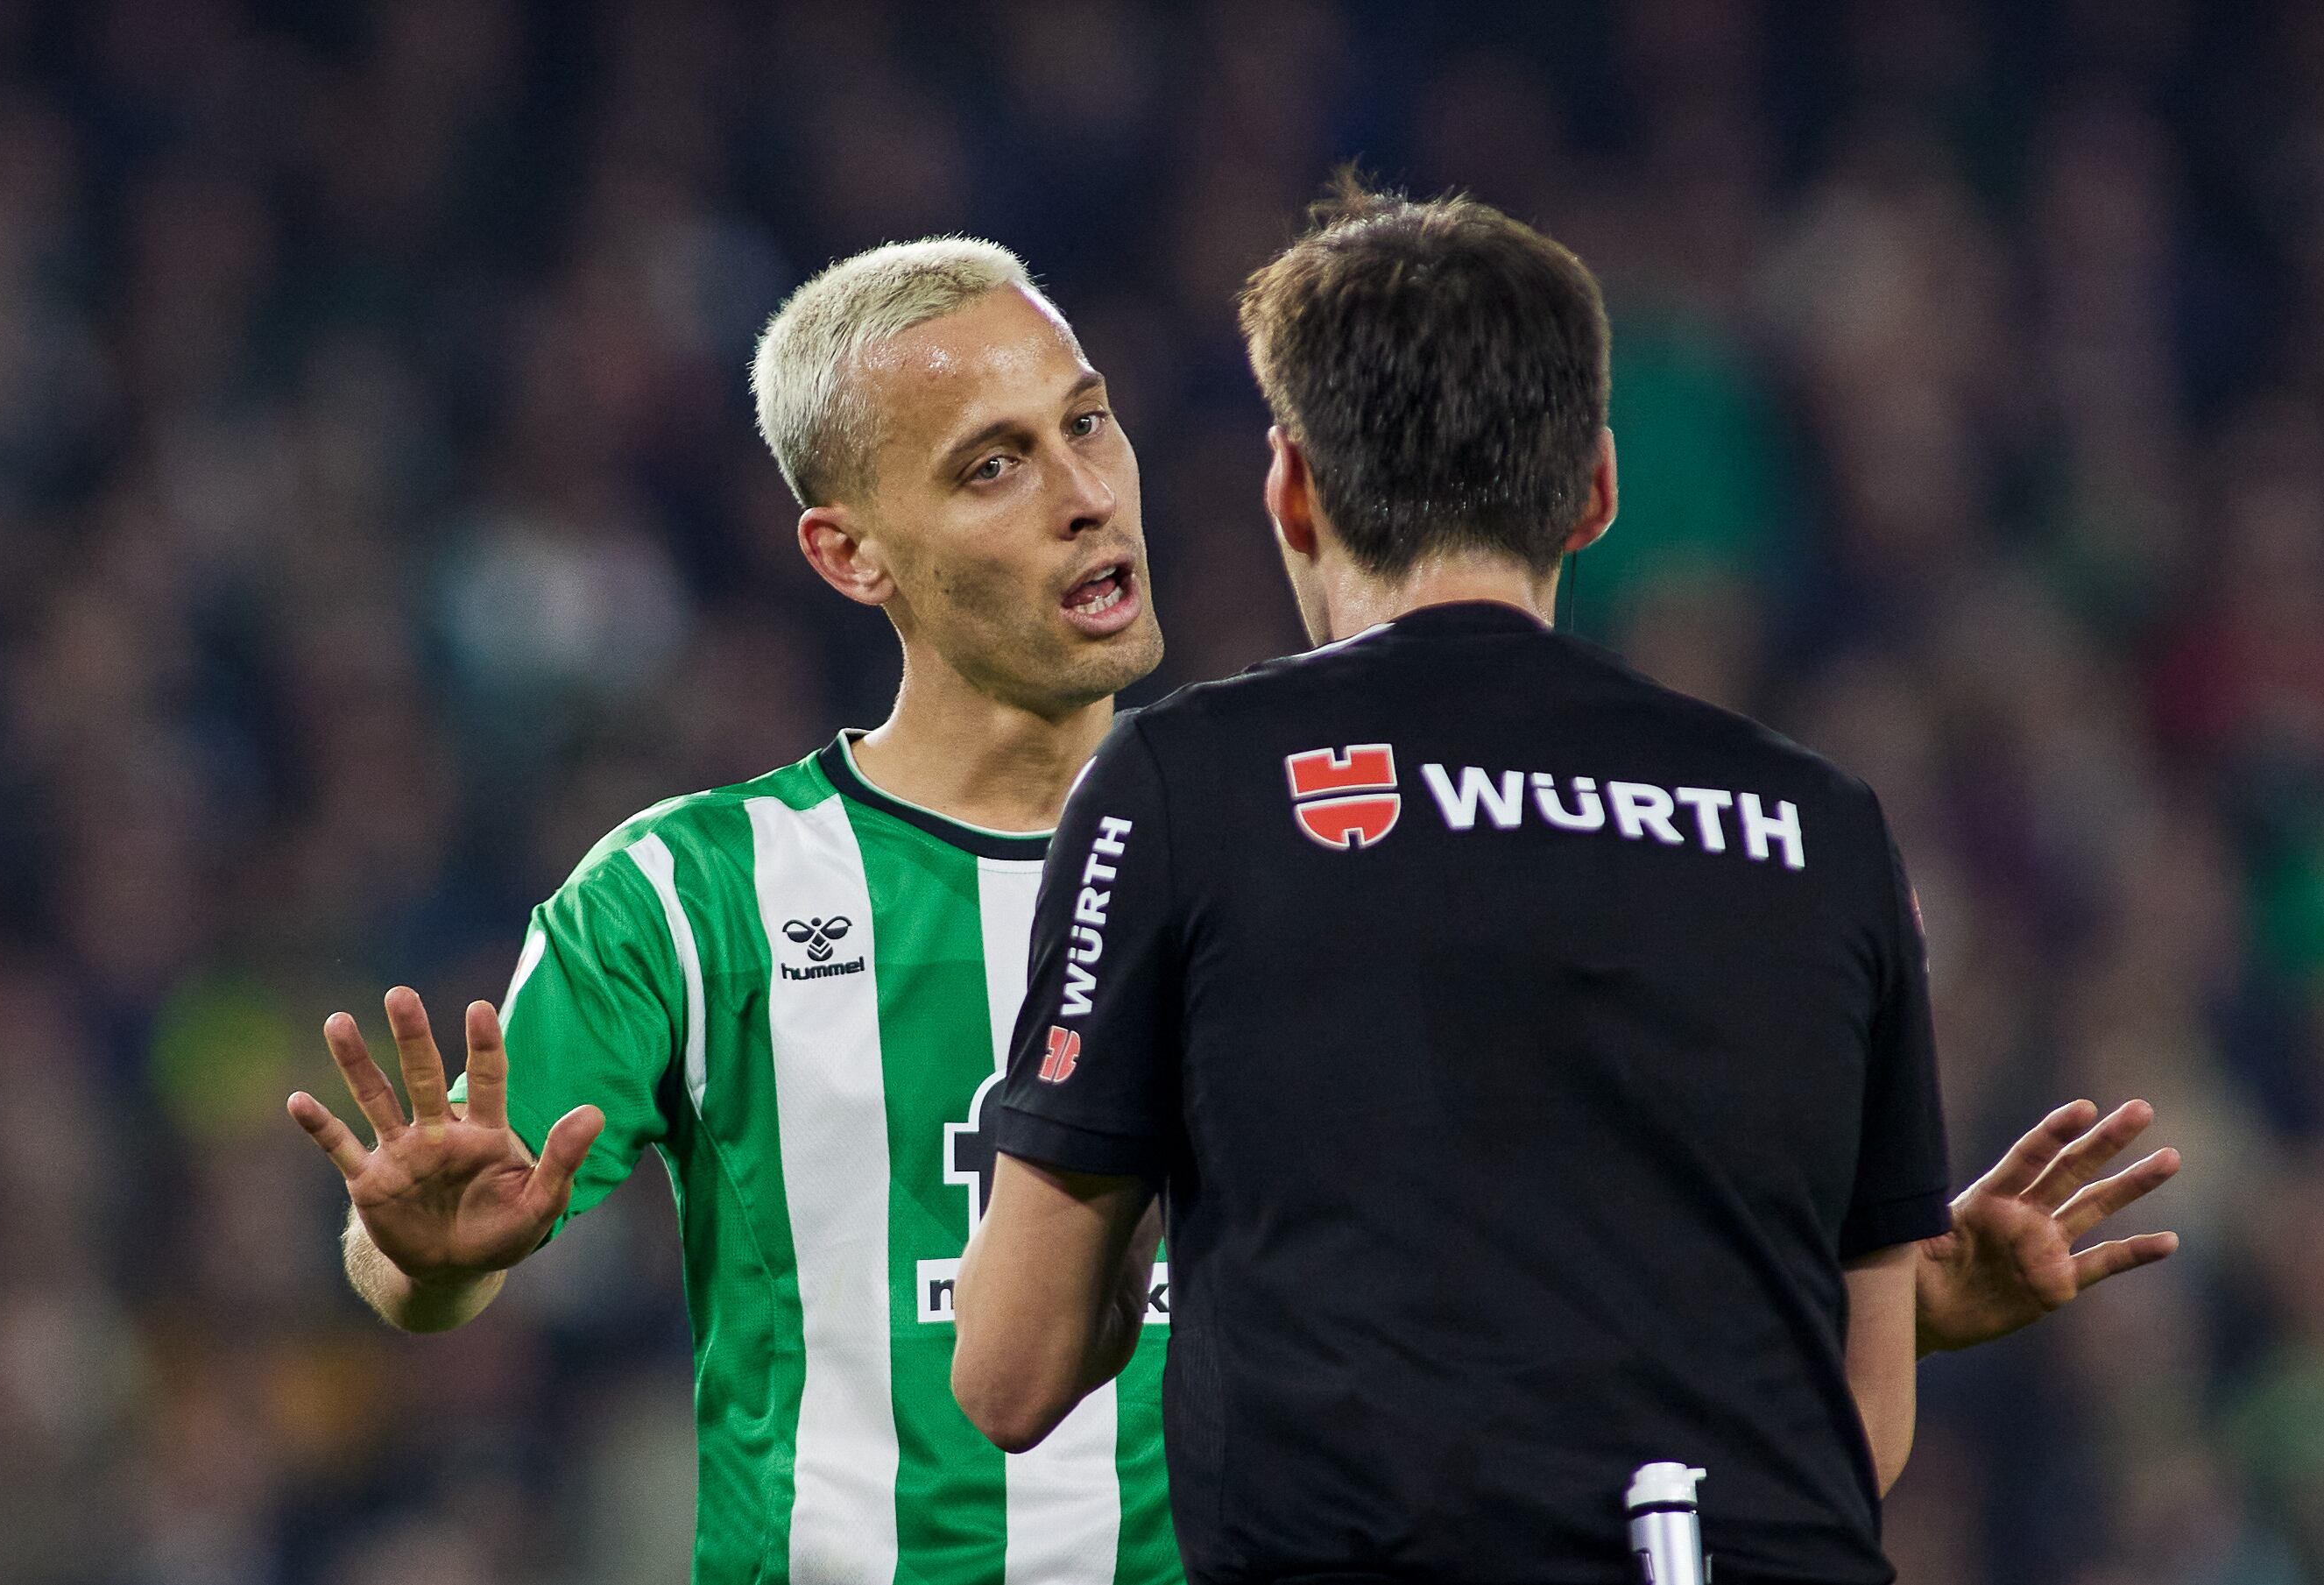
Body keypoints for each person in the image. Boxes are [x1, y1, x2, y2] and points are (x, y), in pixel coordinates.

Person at [287, 234, 2179, 1585]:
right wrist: (434, 1252)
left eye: (1088, 424)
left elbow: (1509, 1292)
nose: (1084, 498)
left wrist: (1892, 1308)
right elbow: (426, 1271)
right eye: (994, 465)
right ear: (845, 550)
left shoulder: (1305, 837)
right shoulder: (691, 893)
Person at [949, 181, 2180, 1585]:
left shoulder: (1186, 783)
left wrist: (1124, 1174)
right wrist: (1896, 1302)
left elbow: (1011, 1371)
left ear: (1290, 486)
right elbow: (1857, 1428)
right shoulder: (1821, 823)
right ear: (1595, 486)